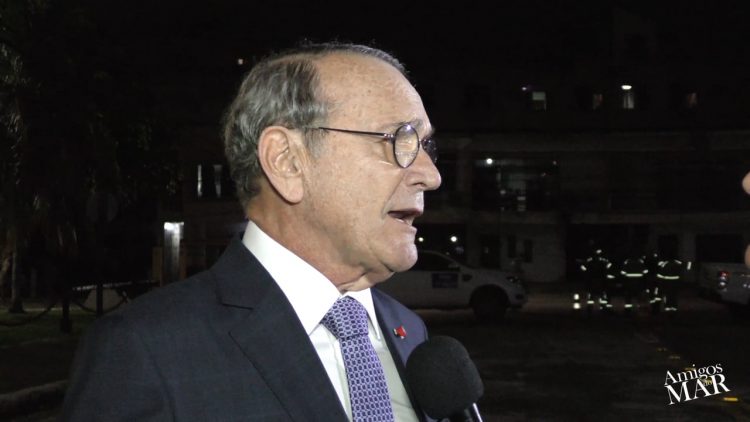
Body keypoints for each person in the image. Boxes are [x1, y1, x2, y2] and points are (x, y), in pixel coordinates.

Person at [61, 42, 441, 421]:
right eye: (399, 140)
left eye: (425, 145)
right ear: (286, 161)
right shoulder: (144, 350)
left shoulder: (411, 332)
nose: (431, 175)